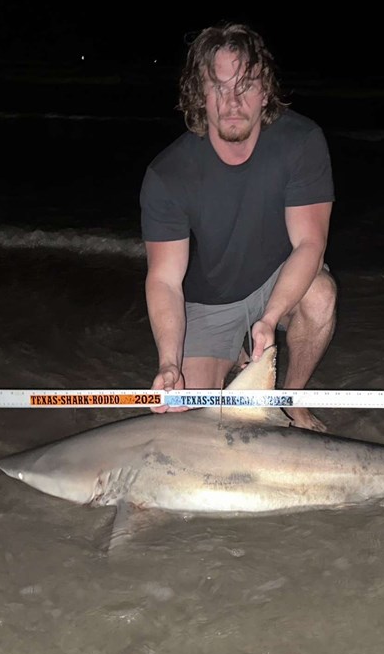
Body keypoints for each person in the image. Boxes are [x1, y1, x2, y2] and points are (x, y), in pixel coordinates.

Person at [139, 22, 337, 431]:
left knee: (320, 295)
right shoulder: (168, 174)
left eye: (245, 85)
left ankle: (291, 400)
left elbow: (310, 245)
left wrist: (270, 318)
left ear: (266, 91)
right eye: (219, 87)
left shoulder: (301, 142)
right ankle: (237, 357)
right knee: (189, 425)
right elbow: (164, 281)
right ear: (200, 95)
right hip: (210, 303)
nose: (233, 101)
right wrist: (168, 363)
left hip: (276, 280)